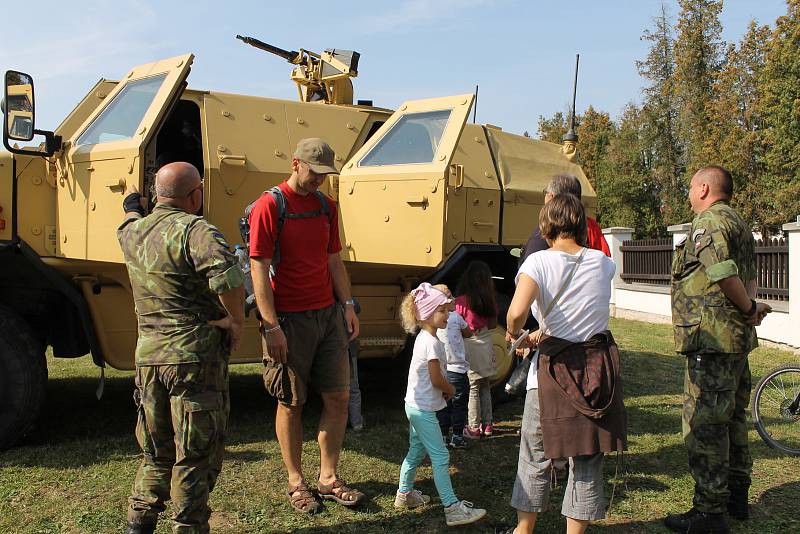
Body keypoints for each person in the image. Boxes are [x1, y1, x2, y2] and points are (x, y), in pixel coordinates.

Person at [118, 162, 245, 534]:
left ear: (158, 195)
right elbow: (227, 276)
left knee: (156, 453)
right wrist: (235, 320)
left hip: (148, 360)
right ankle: (188, 526)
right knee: (194, 455)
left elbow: (128, 219)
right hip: (192, 361)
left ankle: (138, 524)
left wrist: (131, 205)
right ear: (196, 194)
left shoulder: (132, 233)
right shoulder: (195, 230)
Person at [248, 138, 363, 515]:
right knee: (291, 401)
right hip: (289, 321)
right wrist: (271, 326)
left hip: (327, 316)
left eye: (325, 175)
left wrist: (347, 306)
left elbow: (333, 261)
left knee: (339, 397)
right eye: (314, 173)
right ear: (295, 164)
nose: (319, 181)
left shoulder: (326, 208)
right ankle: (296, 482)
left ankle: (328, 478)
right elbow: (258, 269)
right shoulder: (271, 205)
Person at [503, 193, 626, 534]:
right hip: (596, 370)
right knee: (587, 456)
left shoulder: (538, 262)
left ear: (547, 225)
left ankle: (524, 530)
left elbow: (515, 313)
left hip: (551, 373)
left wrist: (519, 334)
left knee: (535, 453)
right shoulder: (603, 263)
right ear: (580, 225)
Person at [664, 166, 771, 534]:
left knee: (706, 425)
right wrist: (751, 308)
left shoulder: (707, 222)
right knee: (734, 417)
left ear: (705, 187)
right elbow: (749, 276)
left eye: (691, 187)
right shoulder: (738, 224)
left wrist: (746, 309)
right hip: (733, 341)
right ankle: (736, 496)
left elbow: (723, 271)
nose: (689, 194)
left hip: (712, 340)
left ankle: (710, 513)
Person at [396, 282, 488, 527]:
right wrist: (451, 389)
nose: (448, 315)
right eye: (443, 311)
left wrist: (442, 390)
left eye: (448, 310)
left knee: (416, 452)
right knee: (440, 455)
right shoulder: (432, 342)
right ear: (426, 313)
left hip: (415, 405)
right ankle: (451, 506)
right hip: (422, 409)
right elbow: (437, 379)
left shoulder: (426, 338)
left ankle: (404, 495)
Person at [520, 173, 610, 264]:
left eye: (546, 192)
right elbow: (606, 262)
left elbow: (529, 273)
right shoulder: (591, 226)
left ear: (552, 198)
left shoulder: (548, 230)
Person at [456, 261, 499, 439]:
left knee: (473, 386)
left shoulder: (462, 302)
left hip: (470, 343)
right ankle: (487, 424)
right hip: (486, 340)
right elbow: (493, 324)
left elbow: (455, 324)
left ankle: (473, 427)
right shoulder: (490, 301)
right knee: (485, 385)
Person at [435, 288, 473, 449]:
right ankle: (457, 436)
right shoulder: (456, 318)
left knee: (443, 403)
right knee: (459, 403)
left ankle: (443, 436)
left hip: (442, 369)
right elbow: (468, 333)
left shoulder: (434, 322)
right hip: (457, 370)